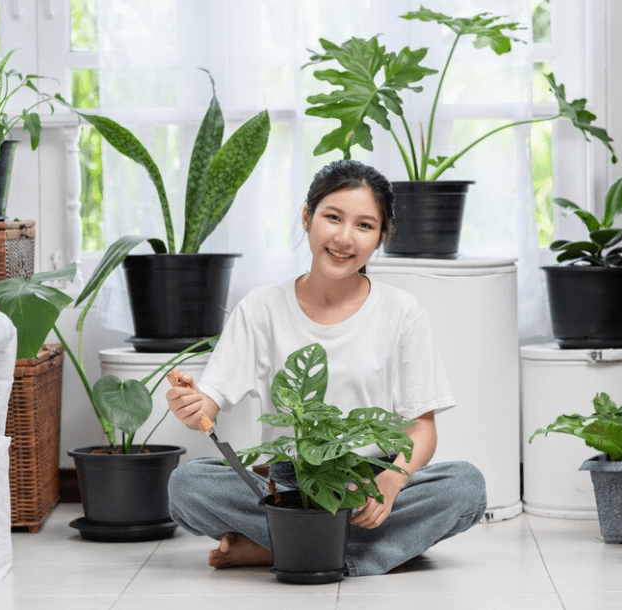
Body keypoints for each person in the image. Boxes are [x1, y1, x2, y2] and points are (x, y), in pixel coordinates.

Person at [166, 159, 486, 577]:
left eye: (365, 226)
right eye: (332, 217)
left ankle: (281, 547)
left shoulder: (402, 312)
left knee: (466, 487)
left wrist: (393, 483)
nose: (344, 237)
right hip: (287, 485)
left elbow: (422, 428)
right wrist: (191, 402)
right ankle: (350, 551)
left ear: (381, 237)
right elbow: (210, 403)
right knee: (187, 485)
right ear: (307, 217)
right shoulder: (261, 307)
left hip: (368, 483)